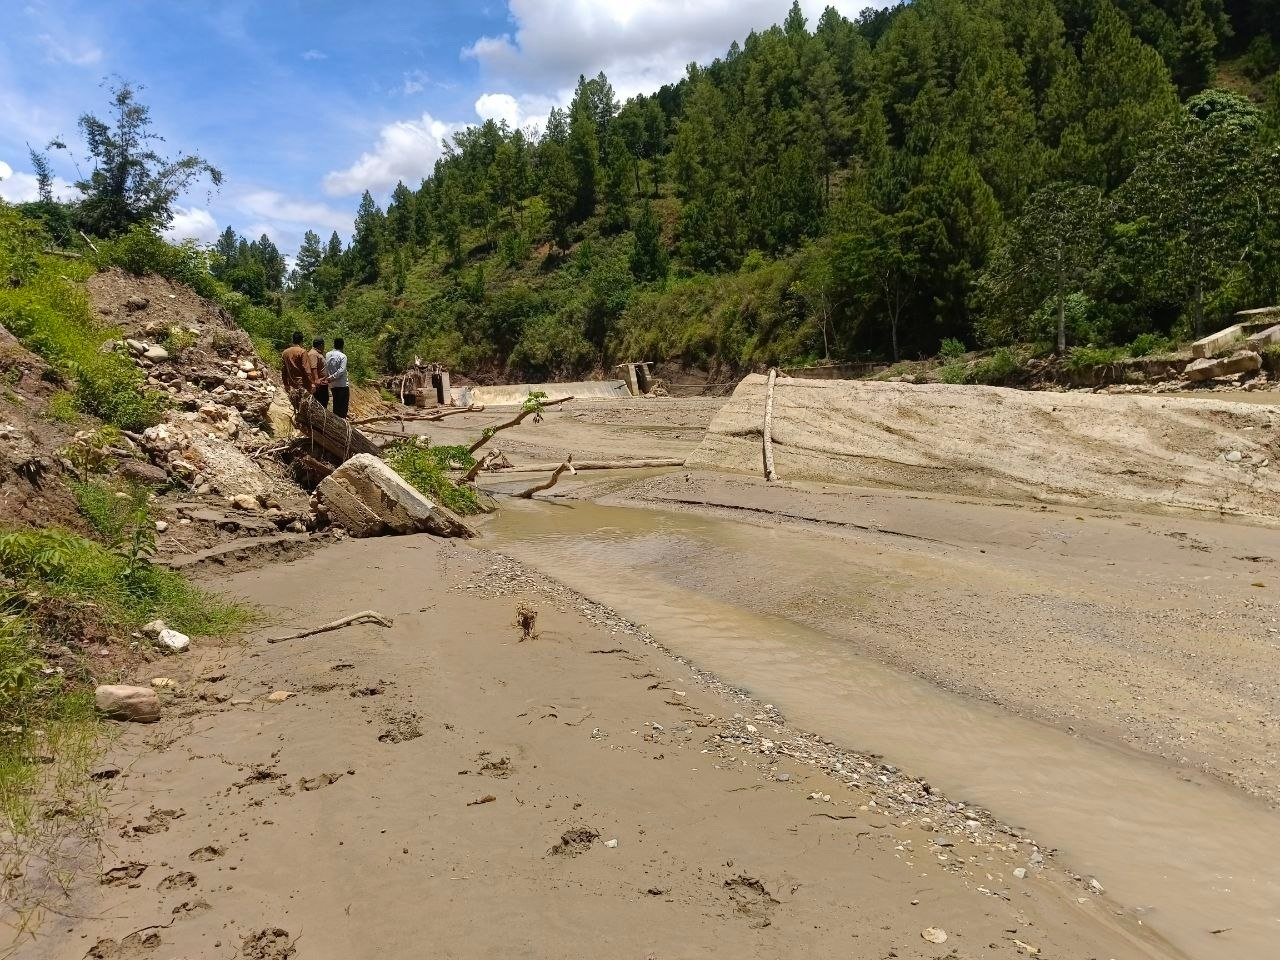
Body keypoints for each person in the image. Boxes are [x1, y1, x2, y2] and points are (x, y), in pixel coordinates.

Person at [280, 332, 311, 400]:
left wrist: (285, 384)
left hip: (291, 385)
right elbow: (306, 369)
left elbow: (283, 370)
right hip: (302, 385)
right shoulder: (302, 352)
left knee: (294, 406)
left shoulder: (285, 352)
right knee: (303, 408)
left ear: (293, 339)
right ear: (301, 341)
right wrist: (311, 384)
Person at [325, 336, 350, 419]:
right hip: (342, 385)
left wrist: (329, 378)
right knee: (342, 409)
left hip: (332, 385)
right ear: (342, 345)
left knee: (336, 406)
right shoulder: (343, 356)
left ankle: (335, 423)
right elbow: (341, 371)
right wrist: (332, 377)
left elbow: (327, 367)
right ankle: (341, 426)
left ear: (334, 345)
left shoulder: (327, 354)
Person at [306, 337, 329, 408]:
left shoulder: (317, 353)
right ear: (321, 345)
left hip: (322, 382)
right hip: (319, 384)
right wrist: (316, 379)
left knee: (324, 401)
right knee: (320, 403)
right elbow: (313, 367)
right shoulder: (313, 354)